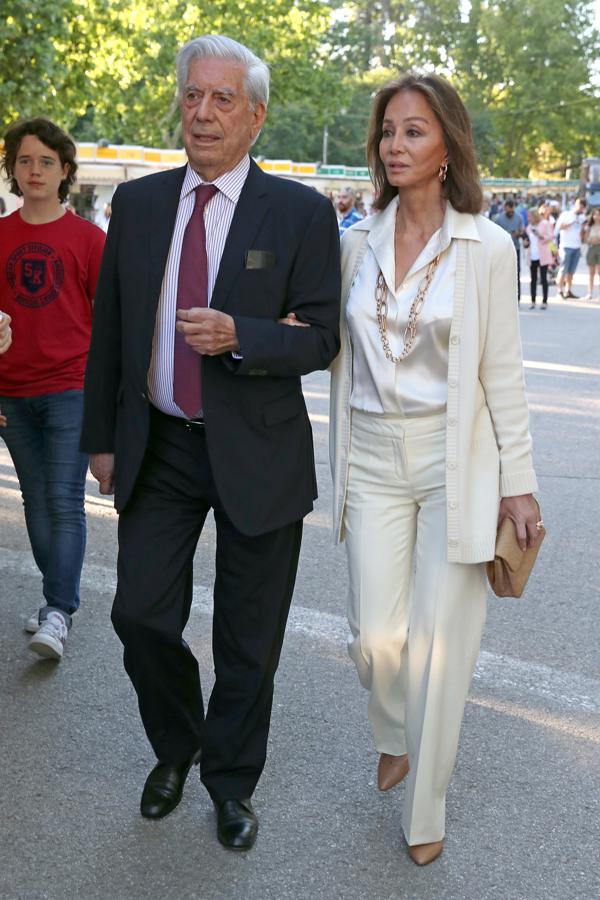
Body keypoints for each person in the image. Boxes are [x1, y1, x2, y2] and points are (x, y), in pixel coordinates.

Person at [80, 34, 340, 851]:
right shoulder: (143, 204)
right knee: (140, 615)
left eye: (223, 99)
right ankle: (178, 744)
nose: (203, 112)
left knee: (248, 641)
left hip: (258, 449)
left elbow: (323, 337)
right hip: (158, 445)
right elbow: (111, 335)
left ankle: (230, 784)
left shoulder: (299, 213)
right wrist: (100, 438)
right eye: (193, 95)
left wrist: (245, 336)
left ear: (256, 116)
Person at [328, 72, 540, 866]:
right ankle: (395, 731)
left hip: (458, 463)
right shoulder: (354, 240)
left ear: (448, 145)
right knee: (375, 636)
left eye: (413, 130)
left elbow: (503, 374)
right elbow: (328, 340)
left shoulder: (488, 246)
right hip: (375, 455)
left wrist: (516, 483)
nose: (395, 144)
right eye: (387, 131)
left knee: (440, 645)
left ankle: (426, 811)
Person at [0, 117, 105, 660]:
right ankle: (54, 602)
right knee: (35, 502)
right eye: (24, 161)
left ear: (65, 171)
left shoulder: (89, 240)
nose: (34, 170)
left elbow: (111, 325)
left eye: (46, 161)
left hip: (71, 387)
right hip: (10, 393)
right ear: (13, 170)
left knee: (63, 500)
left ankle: (59, 611)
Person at [493, 199, 525, 300]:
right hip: (503, 249)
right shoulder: (499, 219)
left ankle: (517, 297)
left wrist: (518, 233)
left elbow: (522, 232)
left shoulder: (519, 217)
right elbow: (495, 234)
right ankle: (504, 297)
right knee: (503, 273)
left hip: (516, 248)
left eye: (511, 210)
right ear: (505, 208)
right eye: (508, 210)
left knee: (516, 273)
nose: (510, 212)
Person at [555, 197, 586, 299]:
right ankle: (559, 290)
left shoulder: (583, 217)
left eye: (582, 208)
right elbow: (559, 227)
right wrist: (572, 222)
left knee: (571, 271)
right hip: (566, 246)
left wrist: (584, 230)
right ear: (576, 205)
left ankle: (568, 291)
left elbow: (582, 234)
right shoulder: (566, 214)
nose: (580, 209)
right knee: (563, 270)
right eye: (579, 206)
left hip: (577, 247)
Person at [526, 207, 553, 309]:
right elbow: (528, 240)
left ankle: (544, 301)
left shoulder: (545, 224)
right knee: (533, 279)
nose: (528, 218)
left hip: (542, 256)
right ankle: (533, 301)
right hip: (532, 256)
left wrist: (540, 236)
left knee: (543, 279)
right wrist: (526, 243)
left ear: (535, 216)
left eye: (530, 216)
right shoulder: (528, 227)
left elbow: (550, 237)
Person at [581, 207, 600, 300]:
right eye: (595, 214)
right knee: (591, 273)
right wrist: (591, 240)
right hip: (591, 249)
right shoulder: (589, 226)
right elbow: (585, 240)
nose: (597, 216)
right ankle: (589, 293)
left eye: (598, 214)